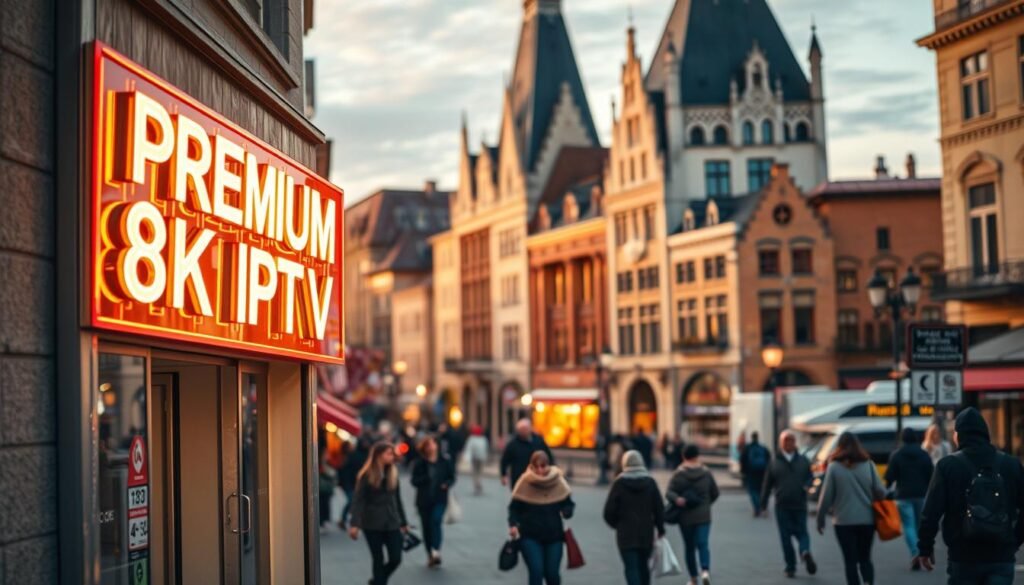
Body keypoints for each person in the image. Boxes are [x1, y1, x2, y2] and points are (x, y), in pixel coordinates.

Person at [915, 407, 1024, 584]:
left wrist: (925, 548)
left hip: (963, 555)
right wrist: (1014, 540)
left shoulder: (947, 466)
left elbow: (931, 512)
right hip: (1001, 554)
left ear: (959, 435)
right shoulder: (1010, 464)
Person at [816, 432, 885, 585]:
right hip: (867, 520)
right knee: (865, 558)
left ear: (839, 446)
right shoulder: (869, 464)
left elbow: (826, 496)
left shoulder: (833, 467)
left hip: (843, 521)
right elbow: (881, 491)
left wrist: (820, 520)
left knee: (850, 561)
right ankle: (868, 582)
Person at [508, 451, 575, 585]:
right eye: (536, 466)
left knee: (552, 574)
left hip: (554, 536)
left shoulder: (558, 481)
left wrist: (566, 511)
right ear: (531, 466)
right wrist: (513, 524)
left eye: (543, 466)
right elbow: (514, 508)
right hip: (529, 536)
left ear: (548, 465)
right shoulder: (524, 481)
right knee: (536, 571)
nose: (540, 470)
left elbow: (568, 503)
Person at [348, 443, 410, 585]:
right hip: (372, 523)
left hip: (392, 521)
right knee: (378, 558)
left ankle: (377, 581)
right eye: (389, 453)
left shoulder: (393, 473)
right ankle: (379, 581)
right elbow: (358, 501)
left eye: (392, 454)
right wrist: (354, 524)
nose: (392, 456)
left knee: (396, 558)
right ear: (378, 455)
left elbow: (398, 500)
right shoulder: (366, 475)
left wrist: (404, 522)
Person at [603, 450, 666, 585]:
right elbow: (659, 509)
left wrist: (618, 524)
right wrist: (660, 529)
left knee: (631, 568)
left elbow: (608, 512)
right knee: (644, 566)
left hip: (625, 533)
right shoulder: (650, 483)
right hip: (646, 532)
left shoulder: (619, 484)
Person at [761, 430, 817, 579]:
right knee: (792, 536)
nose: (789, 443)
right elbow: (767, 484)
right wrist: (763, 504)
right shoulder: (776, 461)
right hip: (783, 505)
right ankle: (796, 560)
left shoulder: (801, 461)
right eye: (786, 440)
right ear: (781, 443)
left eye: (791, 440)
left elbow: (810, 478)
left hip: (797, 504)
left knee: (797, 534)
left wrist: (807, 485)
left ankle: (800, 557)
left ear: (795, 443)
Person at [667, 445, 720, 585]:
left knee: (689, 547)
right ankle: (705, 571)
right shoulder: (706, 473)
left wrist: (677, 499)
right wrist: (706, 505)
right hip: (703, 515)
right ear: (697, 456)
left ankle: (693, 578)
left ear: (684, 457)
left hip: (685, 516)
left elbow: (669, 493)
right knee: (703, 544)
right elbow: (715, 493)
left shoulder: (678, 474)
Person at [884, 427, 934, 570]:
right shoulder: (924, 455)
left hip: (903, 496)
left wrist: (887, 489)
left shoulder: (897, 455)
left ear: (903, 439)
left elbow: (890, 477)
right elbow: (931, 475)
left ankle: (915, 552)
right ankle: (921, 552)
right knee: (919, 526)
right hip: (921, 494)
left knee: (908, 526)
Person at [410, 436, 455, 567]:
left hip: (440, 498)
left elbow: (452, 477)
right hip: (423, 500)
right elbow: (414, 481)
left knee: (436, 521)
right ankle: (430, 553)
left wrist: (447, 484)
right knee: (426, 528)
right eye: (428, 445)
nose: (431, 447)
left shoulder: (444, 461)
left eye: (433, 444)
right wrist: (426, 478)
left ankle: (436, 550)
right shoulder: (419, 463)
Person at [500, 419, 554, 490]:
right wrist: (504, 475)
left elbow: (548, 456)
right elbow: (504, 460)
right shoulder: (513, 444)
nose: (523, 431)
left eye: (525, 429)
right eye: (521, 429)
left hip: (538, 477)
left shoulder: (538, 441)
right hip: (519, 479)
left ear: (530, 428)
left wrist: (552, 469)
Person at [337, 439, 367, 530]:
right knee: (352, 501)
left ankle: (348, 520)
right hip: (349, 483)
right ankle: (347, 520)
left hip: (351, 483)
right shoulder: (348, 457)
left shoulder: (354, 456)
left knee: (353, 501)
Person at [740, 431, 771, 517]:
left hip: (751, 473)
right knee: (762, 490)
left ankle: (757, 508)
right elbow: (769, 460)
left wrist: (743, 472)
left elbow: (742, 460)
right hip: (762, 473)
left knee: (753, 491)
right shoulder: (763, 448)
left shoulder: (747, 448)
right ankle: (763, 507)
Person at [465, 425, 489, 496]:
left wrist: (467, 458)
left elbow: (468, 449)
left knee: (475, 472)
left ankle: (476, 484)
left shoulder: (471, 439)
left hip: (474, 458)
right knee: (479, 472)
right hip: (481, 458)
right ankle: (478, 483)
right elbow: (486, 448)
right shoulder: (483, 439)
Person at [319, 449, 338, 529]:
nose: (327, 456)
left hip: (327, 488)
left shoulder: (329, 463)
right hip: (322, 487)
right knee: (322, 504)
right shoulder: (321, 464)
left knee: (325, 504)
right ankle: (322, 521)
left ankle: (323, 521)